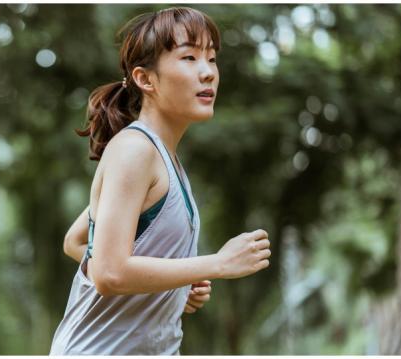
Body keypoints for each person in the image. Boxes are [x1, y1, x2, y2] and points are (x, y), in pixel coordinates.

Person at [49, 7, 272, 355]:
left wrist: (167, 287)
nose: (208, 73)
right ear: (145, 79)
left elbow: (77, 241)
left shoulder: (162, 158)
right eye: (189, 57)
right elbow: (108, 272)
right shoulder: (134, 150)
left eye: (211, 59)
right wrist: (219, 263)